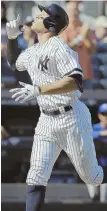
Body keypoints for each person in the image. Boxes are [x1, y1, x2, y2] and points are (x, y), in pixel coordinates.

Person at [6, 4, 104, 211]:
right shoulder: (34, 50)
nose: (36, 17)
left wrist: (39, 89)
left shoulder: (59, 47)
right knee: (35, 176)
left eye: (41, 15)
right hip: (46, 120)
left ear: (51, 23)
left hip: (71, 117)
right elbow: (14, 62)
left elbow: (76, 81)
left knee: (93, 177)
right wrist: (13, 38)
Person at [60, 0, 96, 89]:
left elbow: (93, 51)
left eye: (75, 10)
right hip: (69, 76)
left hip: (86, 75)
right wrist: (80, 37)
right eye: (71, 10)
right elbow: (64, 51)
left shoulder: (85, 28)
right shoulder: (62, 29)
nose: (74, 13)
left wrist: (87, 37)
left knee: (88, 102)